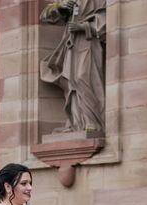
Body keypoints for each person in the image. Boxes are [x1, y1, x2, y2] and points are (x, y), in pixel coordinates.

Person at [40, 0, 106, 134]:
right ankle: (76, 123)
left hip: (88, 42)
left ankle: (92, 122)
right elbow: (45, 16)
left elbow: (106, 20)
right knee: (70, 81)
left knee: (84, 77)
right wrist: (60, 7)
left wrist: (84, 27)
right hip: (71, 42)